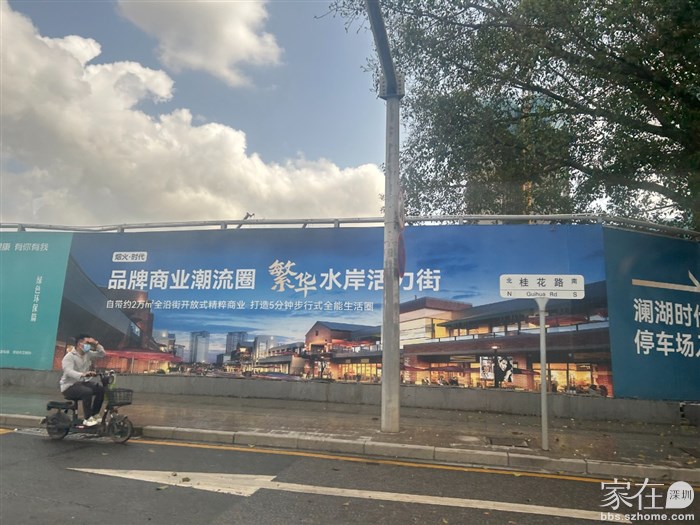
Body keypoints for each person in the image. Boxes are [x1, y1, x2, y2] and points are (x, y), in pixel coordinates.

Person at [60, 334, 106, 426]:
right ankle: (87, 418)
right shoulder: (70, 356)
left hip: (82, 383)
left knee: (101, 389)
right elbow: (68, 371)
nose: (89, 345)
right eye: (87, 343)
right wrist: (82, 374)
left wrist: (96, 343)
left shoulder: (87, 354)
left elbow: (102, 354)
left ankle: (95, 414)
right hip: (69, 386)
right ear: (79, 344)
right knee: (87, 392)